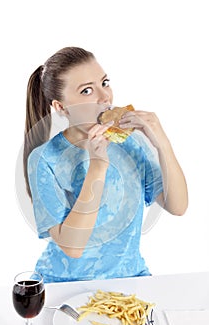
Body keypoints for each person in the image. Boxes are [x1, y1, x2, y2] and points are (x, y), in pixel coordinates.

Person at [23, 46, 188, 283]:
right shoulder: (44, 159)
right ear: (60, 107)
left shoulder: (130, 144)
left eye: (105, 82)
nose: (105, 97)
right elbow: (73, 247)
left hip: (131, 279)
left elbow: (178, 206)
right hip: (66, 284)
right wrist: (98, 166)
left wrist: (162, 142)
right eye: (87, 90)